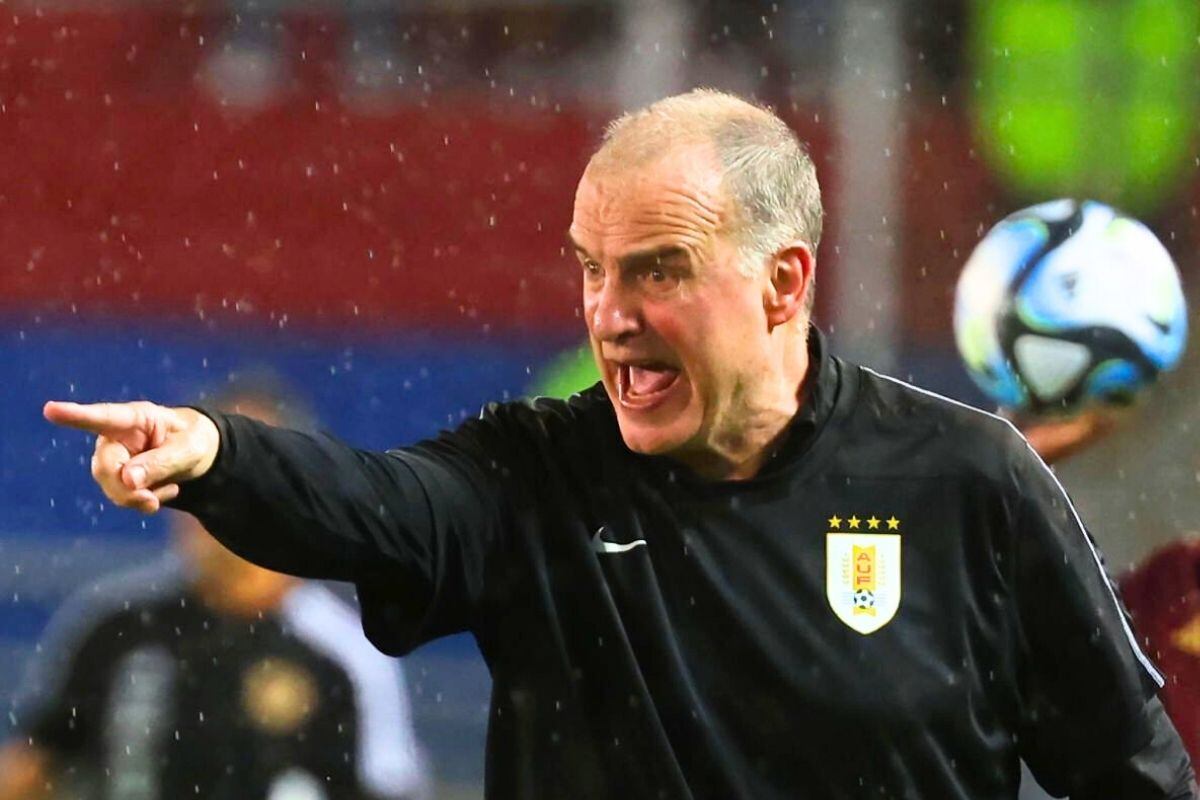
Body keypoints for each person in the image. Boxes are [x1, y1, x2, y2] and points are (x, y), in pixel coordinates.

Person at [43, 89, 1194, 799]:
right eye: (591, 267)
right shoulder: (538, 475)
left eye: (657, 269)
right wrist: (217, 454)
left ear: (783, 282)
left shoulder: (968, 479)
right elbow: (374, 499)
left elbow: (1130, 771)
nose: (607, 311)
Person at [6, 379, 427, 800]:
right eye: (203, 480)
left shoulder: (346, 652)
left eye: (244, 483)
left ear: (298, 498)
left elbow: (390, 788)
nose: (219, 505)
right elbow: (34, 765)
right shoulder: (115, 624)